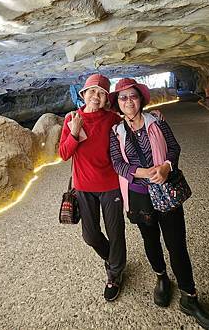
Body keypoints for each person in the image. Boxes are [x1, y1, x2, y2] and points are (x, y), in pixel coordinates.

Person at [109, 78, 209, 330]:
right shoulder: (115, 132)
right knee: (150, 240)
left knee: (177, 244)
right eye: (123, 98)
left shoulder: (157, 120)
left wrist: (167, 167)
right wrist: (143, 172)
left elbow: (173, 148)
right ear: (118, 103)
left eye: (132, 96)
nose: (128, 102)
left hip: (166, 191)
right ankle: (161, 278)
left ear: (141, 99)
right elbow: (117, 163)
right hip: (138, 194)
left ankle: (189, 297)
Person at [58, 74, 126, 302]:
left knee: (115, 231)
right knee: (90, 235)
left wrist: (152, 118)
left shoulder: (113, 120)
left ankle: (114, 274)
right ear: (83, 94)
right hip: (83, 187)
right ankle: (114, 259)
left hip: (110, 185)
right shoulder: (71, 118)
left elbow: (133, 129)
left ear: (107, 98)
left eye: (102, 93)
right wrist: (75, 132)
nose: (96, 96)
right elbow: (64, 154)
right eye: (92, 91)